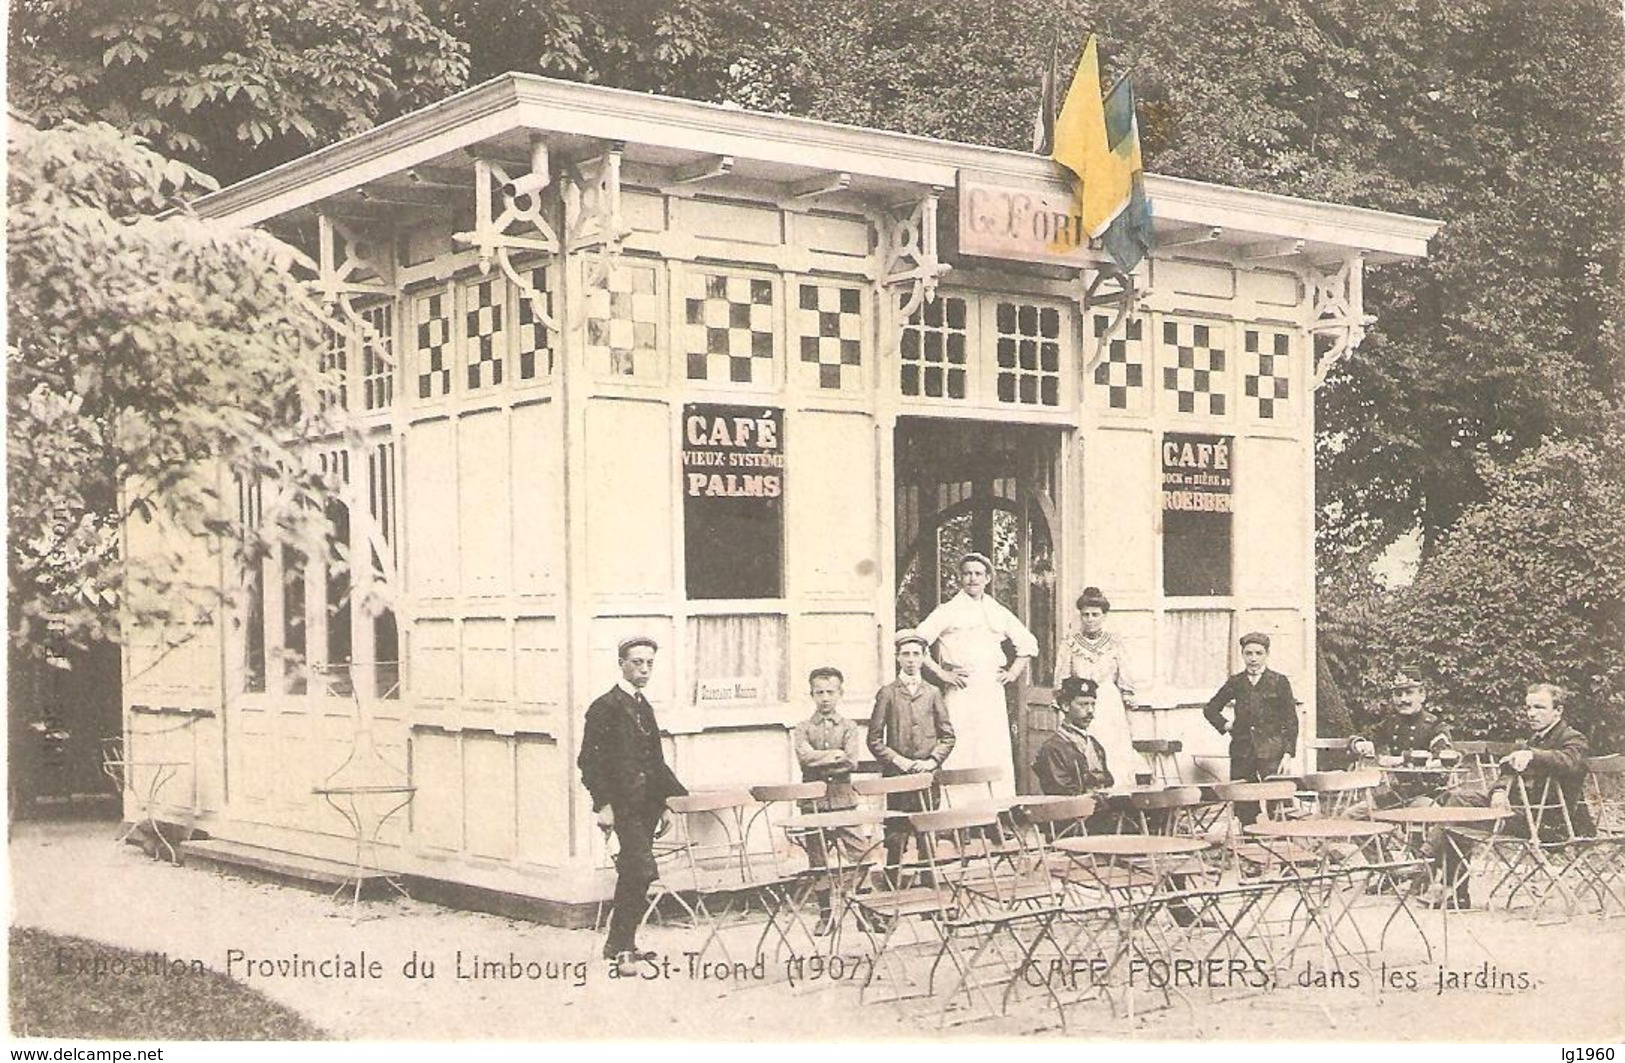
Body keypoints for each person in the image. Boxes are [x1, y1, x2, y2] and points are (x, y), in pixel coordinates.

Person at [577, 636, 687, 971]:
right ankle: (620, 944)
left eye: (650, 663)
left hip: (647, 805)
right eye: (637, 662)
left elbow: (655, 760)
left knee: (633, 872)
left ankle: (621, 944)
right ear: (621, 663)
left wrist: (667, 802)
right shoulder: (604, 707)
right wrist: (602, 805)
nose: (644, 669)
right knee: (640, 869)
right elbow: (589, 762)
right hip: (622, 805)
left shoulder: (643, 706)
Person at [1433, 683, 1594, 909]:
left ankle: (1433, 868)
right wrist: (1499, 791)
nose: (1531, 713)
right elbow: (1505, 773)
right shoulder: (1532, 740)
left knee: (1458, 817)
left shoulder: (1573, 738)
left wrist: (1532, 755)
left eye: (1539, 707)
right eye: (1528, 707)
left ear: (1558, 711)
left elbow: (1571, 762)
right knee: (1459, 799)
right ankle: (1450, 885)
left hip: (1548, 822)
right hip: (1519, 812)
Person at [915, 552, 1038, 800]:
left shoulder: (997, 611)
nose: (973, 578)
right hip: (962, 689)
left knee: (992, 747)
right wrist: (942, 674)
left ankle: (996, 811)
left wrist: (1013, 672)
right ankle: (959, 812)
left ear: (988, 578)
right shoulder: (948, 610)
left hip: (990, 690)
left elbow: (1028, 643)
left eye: (978, 574)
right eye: (967, 573)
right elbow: (916, 642)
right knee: (961, 747)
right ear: (960, 577)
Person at [868, 630, 956, 874]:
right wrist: (899, 761)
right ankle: (893, 890)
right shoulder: (887, 693)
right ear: (897, 657)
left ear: (923, 657)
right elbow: (874, 740)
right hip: (897, 777)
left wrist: (932, 761)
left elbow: (948, 736)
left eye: (916, 654)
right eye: (905, 654)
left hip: (927, 777)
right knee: (896, 834)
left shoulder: (933, 693)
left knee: (927, 835)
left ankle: (931, 893)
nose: (910, 660)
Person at [791, 665, 866, 935]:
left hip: (844, 801)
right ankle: (826, 916)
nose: (825, 697)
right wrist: (835, 755)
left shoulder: (849, 727)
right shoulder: (802, 728)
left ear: (840, 693)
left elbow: (851, 761)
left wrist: (823, 760)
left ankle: (862, 911)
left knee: (862, 855)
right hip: (814, 805)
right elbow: (803, 758)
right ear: (811, 694)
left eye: (830, 692)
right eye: (819, 692)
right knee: (819, 862)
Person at [1202, 632, 1298, 825]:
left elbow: (1291, 720)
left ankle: (1281, 846)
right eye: (1248, 653)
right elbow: (1210, 709)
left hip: (1272, 752)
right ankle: (1248, 847)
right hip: (1242, 752)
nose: (1253, 658)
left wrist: (1287, 754)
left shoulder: (1279, 681)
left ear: (1266, 654)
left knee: (1278, 802)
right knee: (1244, 805)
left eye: (1258, 653)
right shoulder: (1236, 682)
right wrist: (1227, 725)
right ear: (1243, 655)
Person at [1056, 585, 1140, 779]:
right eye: (1085, 615)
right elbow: (1062, 675)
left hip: (1108, 703)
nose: (1090, 619)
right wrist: (1063, 700)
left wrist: (1127, 695)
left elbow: (1124, 672)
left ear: (1104, 616)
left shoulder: (1114, 642)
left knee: (1112, 750)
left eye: (1095, 614)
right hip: (1079, 701)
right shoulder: (1070, 642)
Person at [1349, 671, 1455, 809]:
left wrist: (1401, 759)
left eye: (1409, 693)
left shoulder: (1434, 725)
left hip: (1428, 795)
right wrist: (1359, 743)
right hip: (1395, 795)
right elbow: (1363, 737)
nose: (1403, 700)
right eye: (1398, 694)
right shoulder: (1391, 723)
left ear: (1422, 695)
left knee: (1428, 813)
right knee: (1352, 814)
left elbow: (1442, 755)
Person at [1032, 677, 1121, 837]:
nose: (1090, 711)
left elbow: (1107, 781)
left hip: (1097, 814)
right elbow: (1062, 793)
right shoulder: (1053, 747)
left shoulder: (1094, 744)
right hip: (1071, 821)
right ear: (1065, 706)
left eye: (1092, 704)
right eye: (1083, 705)